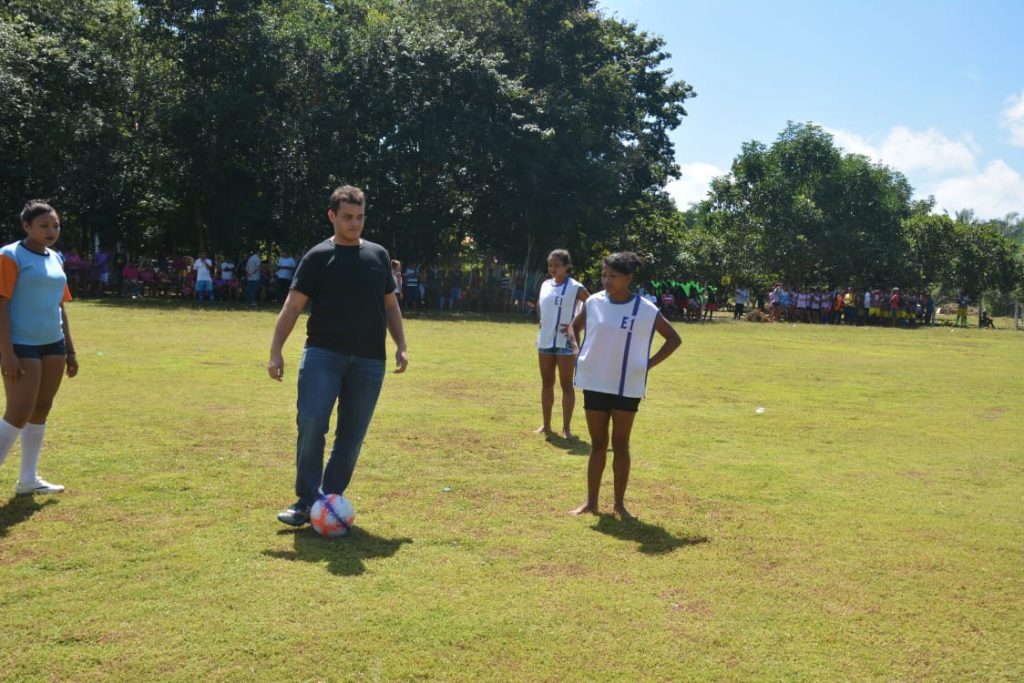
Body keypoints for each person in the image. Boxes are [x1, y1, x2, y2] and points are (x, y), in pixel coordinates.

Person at [268, 185, 408, 527]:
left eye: (360, 217)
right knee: (312, 422)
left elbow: (390, 305)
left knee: (352, 435)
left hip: (370, 361)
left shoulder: (377, 255)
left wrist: (401, 344)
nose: (354, 224)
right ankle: (305, 500)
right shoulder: (317, 257)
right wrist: (275, 350)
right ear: (332, 216)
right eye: (347, 217)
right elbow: (293, 306)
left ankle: (327, 500)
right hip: (323, 355)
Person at [566, 252, 680, 520]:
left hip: (626, 387)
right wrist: (576, 350)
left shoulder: (646, 309)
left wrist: (647, 364)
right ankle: (591, 503)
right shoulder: (593, 302)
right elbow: (573, 327)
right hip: (595, 382)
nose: (606, 280)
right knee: (597, 445)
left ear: (628, 278)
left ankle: (619, 504)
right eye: (604, 275)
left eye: (613, 276)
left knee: (620, 445)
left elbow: (674, 339)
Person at [0, 201, 79, 495]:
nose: (51, 231)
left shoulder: (56, 258)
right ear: (26, 226)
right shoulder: (10, 256)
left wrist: (70, 350)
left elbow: (60, 307)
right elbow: (1, 307)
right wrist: (7, 353)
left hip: (53, 344)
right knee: (18, 411)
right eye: (43, 225)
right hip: (22, 345)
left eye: (55, 225)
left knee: (41, 409)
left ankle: (28, 480)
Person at [535, 249, 589, 439]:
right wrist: (542, 321)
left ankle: (566, 429)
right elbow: (540, 305)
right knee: (546, 383)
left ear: (567, 267)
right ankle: (546, 425)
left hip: (566, 343)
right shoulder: (544, 285)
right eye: (550, 265)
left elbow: (593, 306)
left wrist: (576, 326)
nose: (552, 269)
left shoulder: (576, 287)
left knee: (566, 385)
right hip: (545, 341)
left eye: (557, 266)